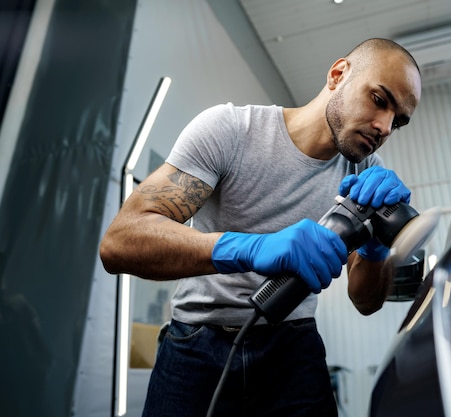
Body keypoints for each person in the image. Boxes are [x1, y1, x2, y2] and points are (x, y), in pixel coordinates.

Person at [100, 38, 422, 417]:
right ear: (338, 75)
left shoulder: (366, 175)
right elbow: (121, 241)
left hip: (293, 347)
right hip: (196, 343)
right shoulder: (233, 130)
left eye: (398, 121)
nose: (384, 126)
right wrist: (251, 249)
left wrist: (376, 249)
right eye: (379, 100)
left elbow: (366, 301)